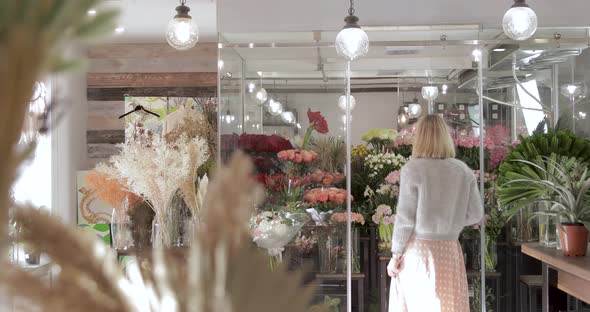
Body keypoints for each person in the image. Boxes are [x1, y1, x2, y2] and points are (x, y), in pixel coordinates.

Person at [387, 114, 484, 312]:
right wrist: (452, 219)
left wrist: (396, 255)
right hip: (449, 250)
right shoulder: (462, 171)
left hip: (419, 251)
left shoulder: (413, 169)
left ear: (419, 138)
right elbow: (475, 214)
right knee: (449, 305)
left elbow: (405, 219)